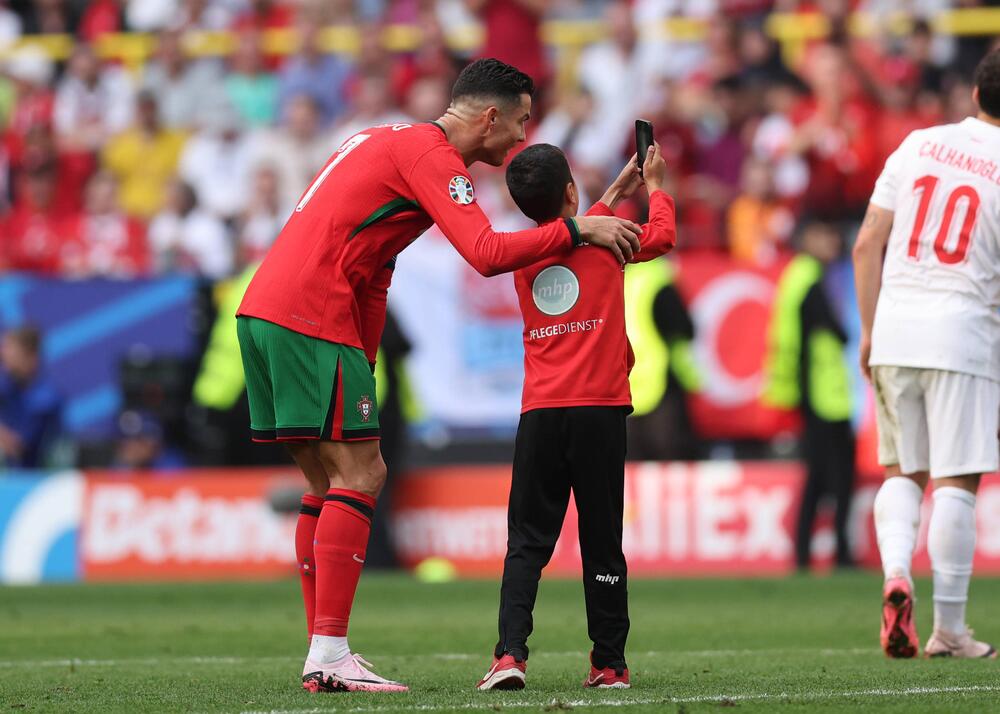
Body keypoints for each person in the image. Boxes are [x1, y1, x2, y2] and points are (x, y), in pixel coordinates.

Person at [235, 58, 642, 694]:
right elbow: (484, 255)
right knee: (362, 474)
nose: (521, 139)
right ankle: (330, 651)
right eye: (521, 122)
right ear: (490, 116)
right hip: (313, 313)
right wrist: (574, 227)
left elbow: (375, 265)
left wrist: (363, 359)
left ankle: (323, 652)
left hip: (266, 309)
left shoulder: (379, 138)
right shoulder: (431, 157)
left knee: (324, 480)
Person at [476, 142, 675, 691]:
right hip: (600, 413)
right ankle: (609, 662)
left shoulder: (520, 250)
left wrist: (613, 193)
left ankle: (509, 655)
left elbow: (575, 231)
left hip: (541, 413)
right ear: (570, 191)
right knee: (602, 539)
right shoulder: (610, 246)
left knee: (526, 542)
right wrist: (655, 187)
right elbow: (660, 235)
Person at [852, 50, 1000, 660]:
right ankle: (949, 629)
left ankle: (895, 574)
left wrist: (867, 332)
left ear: (972, 93)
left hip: (895, 329)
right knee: (957, 482)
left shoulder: (917, 145)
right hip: (963, 333)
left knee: (902, 471)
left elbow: (867, 245)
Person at [763, 220, 855, 571]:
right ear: (808, 239)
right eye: (826, 233)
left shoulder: (796, 277)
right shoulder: (811, 282)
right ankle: (841, 553)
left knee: (817, 477)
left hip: (812, 394)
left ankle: (803, 553)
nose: (834, 240)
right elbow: (837, 334)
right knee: (836, 477)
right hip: (824, 396)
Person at [0, 326, 61, 469]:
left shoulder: (46, 398)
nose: (4, 355)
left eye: (11, 349)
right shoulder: (7, 387)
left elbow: (17, 447)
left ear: (31, 356)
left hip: (36, 478)